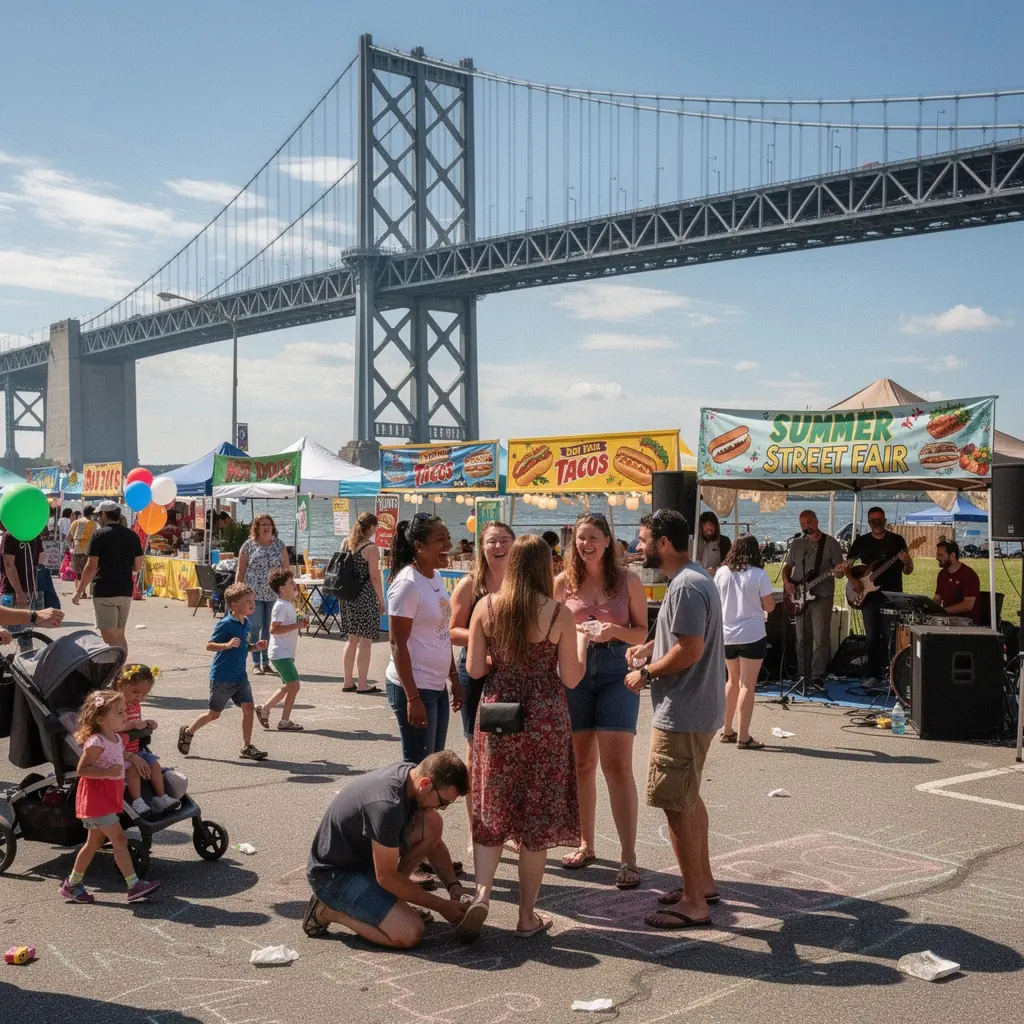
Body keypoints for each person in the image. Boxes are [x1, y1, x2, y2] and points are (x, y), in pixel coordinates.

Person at [460, 534, 585, 941]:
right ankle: (527, 915)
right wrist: (580, 643)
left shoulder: (487, 607)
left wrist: (505, 658)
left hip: (499, 714)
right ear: (544, 567)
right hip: (545, 716)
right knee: (536, 817)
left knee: (492, 805)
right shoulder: (558, 613)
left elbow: (476, 669)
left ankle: (481, 894)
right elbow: (570, 677)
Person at [626, 510, 725, 930]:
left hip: (683, 711)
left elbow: (689, 649)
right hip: (697, 709)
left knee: (674, 804)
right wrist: (650, 647)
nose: (638, 546)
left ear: (664, 543)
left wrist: (646, 673)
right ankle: (702, 884)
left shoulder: (685, 585)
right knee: (689, 797)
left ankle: (692, 902)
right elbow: (680, 636)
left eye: (644, 539)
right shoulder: (693, 577)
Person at [554, 512, 649, 889]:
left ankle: (628, 856)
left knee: (617, 765)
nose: (586, 544)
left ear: (609, 541)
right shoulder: (563, 582)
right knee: (581, 763)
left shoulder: (629, 581)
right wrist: (574, 632)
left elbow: (643, 630)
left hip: (616, 668)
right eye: (580, 538)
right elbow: (551, 627)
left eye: (593, 537)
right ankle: (586, 843)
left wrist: (614, 630)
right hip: (574, 669)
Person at [303, 751, 470, 948]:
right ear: (425, 784)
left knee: (432, 822)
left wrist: (453, 885)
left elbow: (435, 843)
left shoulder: (411, 775)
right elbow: (387, 877)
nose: (444, 808)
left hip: (364, 863)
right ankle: (328, 911)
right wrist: (441, 906)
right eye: (444, 802)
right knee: (409, 932)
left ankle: (392, 900)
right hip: (334, 876)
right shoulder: (387, 807)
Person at [58, 690, 162, 904]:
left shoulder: (114, 738)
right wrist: (108, 772)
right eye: (120, 712)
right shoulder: (96, 741)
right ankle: (134, 885)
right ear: (100, 718)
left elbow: (115, 755)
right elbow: (82, 769)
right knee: (120, 840)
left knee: (93, 843)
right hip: (97, 799)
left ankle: (72, 884)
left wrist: (130, 757)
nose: (126, 715)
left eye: (125, 711)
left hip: (106, 798)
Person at [449, 521, 514, 845]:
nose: (498, 546)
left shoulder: (523, 584)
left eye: (504, 540)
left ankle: (509, 824)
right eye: (492, 541)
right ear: (482, 547)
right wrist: (484, 643)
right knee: (476, 753)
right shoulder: (469, 585)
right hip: (476, 674)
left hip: (514, 674)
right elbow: (452, 630)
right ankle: (479, 825)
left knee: (511, 752)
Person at [385, 514, 462, 763]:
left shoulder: (435, 577)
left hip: (437, 686)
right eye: (440, 540)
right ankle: (409, 805)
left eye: (448, 537)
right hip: (416, 688)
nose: (448, 545)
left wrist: (453, 678)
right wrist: (412, 698)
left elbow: (441, 633)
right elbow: (397, 643)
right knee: (419, 769)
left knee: (434, 764)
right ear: (419, 546)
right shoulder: (408, 585)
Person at [177, 582, 269, 761]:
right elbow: (210, 645)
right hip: (222, 677)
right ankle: (188, 731)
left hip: (240, 676)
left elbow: (243, 647)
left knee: (248, 708)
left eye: (253, 600)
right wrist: (226, 645)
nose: (253, 604)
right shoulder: (225, 624)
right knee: (214, 714)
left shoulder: (247, 623)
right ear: (234, 605)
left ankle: (246, 746)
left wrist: (255, 647)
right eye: (248, 601)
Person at [837, 507, 913, 686]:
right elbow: (846, 565)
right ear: (869, 522)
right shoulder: (861, 542)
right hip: (869, 597)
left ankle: (892, 676)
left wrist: (907, 561)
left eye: (879, 519)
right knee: (871, 637)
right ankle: (873, 676)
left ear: (885, 520)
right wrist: (852, 581)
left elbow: (909, 571)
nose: (876, 523)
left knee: (890, 637)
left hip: (893, 595)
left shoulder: (897, 541)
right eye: (872, 520)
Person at [715, 535, 775, 748]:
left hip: (727, 634)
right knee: (747, 685)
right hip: (751, 633)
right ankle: (744, 735)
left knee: (731, 681)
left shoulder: (722, 572)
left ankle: (726, 729)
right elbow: (769, 606)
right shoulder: (759, 574)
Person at [782, 510, 844, 689]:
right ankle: (803, 675)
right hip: (799, 596)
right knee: (802, 638)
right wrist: (787, 581)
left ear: (816, 521)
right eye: (802, 524)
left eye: (809, 522)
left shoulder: (831, 543)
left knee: (821, 637)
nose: (806, 526)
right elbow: (788, 567)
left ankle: (817, 676)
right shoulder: (797, 544)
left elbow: (839, 574)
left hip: (822, 597)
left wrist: (840, 569)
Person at [72, 501, 144, 653]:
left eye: (99, 515)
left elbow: (91, 566)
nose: (98, 518)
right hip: (125, 589)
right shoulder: (133, 535)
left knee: (109, 638)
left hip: (105, 590)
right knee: (119, 635)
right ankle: (123, 672)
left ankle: (115, 672)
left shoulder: (99, 535)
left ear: (104, 514)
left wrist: (79, 591)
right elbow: (138, 567)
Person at [114, 664, 178, 816]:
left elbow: (137, 722)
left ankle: (162, 797)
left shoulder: (134, 704)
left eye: (144, 695)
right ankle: (137, 801)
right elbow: (111, 728)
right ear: (120, 685)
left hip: (135, 749)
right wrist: (131, 725)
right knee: (133, 770)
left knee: (155, 765)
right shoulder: (115, 705)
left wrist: (147, 723)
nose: (139, 698)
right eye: (136, 692)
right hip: (119, 754)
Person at [256, 568, 309, 731]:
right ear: (282, 589)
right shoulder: (280, 606)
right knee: (294, 686)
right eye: (291, 583)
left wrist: (299, 620)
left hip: (285, 652)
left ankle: (264, 709)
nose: (295, 585)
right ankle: (284, 721)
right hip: (281, 653)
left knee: (288, 685)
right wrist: (297, 625)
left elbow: (285, 626)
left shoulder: (287, 604)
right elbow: (274, 629)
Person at [236, 515, 289, 675]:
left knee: (270, 628)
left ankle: (266, 662)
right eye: (263, 525)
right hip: (253, 594)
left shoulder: (279, 545)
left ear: (273, 527)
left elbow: (286, 569)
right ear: (256, 528)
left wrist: (288, 588)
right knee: (255, 626)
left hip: (273, 593)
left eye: (269, 524)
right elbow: (241, 569)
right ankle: (255, 663)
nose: (266, 527)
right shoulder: (248, 546)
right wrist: (237, 590)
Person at [338, 512, 385, 694]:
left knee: (351, 640)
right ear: (371, 527)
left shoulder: (346, 543)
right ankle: (363, 683)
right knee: (365, 641)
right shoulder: (370, 548)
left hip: (347, 595)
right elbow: (374, 577)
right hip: (364, 596)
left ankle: (348, 681)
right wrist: (381, 599)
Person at [1, 528, 46, 652]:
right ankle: (22, 662)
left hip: (21, 590)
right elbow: (9, 565)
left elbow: (9, 564)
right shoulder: (13, 535)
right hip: (16, 590)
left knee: (20, 633)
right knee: (15, 634)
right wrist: (19, 591)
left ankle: (21, 663)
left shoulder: (13, 535)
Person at [933, 539, 981, 624]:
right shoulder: (942, 574)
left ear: (952, 555)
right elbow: (938, 598)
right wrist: (926, 607)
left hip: (967, 623)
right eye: (937, 555)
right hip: (947, 620)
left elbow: (968, 605)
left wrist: (943, 611)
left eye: (940, 555)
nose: (937, 558)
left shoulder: (969, 575)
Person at [68, 506, 97, 580]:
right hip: (89, 550)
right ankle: (83, 590)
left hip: (76, 550)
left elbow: (68, 537)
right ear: (92, 514)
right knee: (88, 572)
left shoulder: (75, 522)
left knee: (78, 573)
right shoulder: (94, 524)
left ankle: (79, 590)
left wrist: (71, 547)